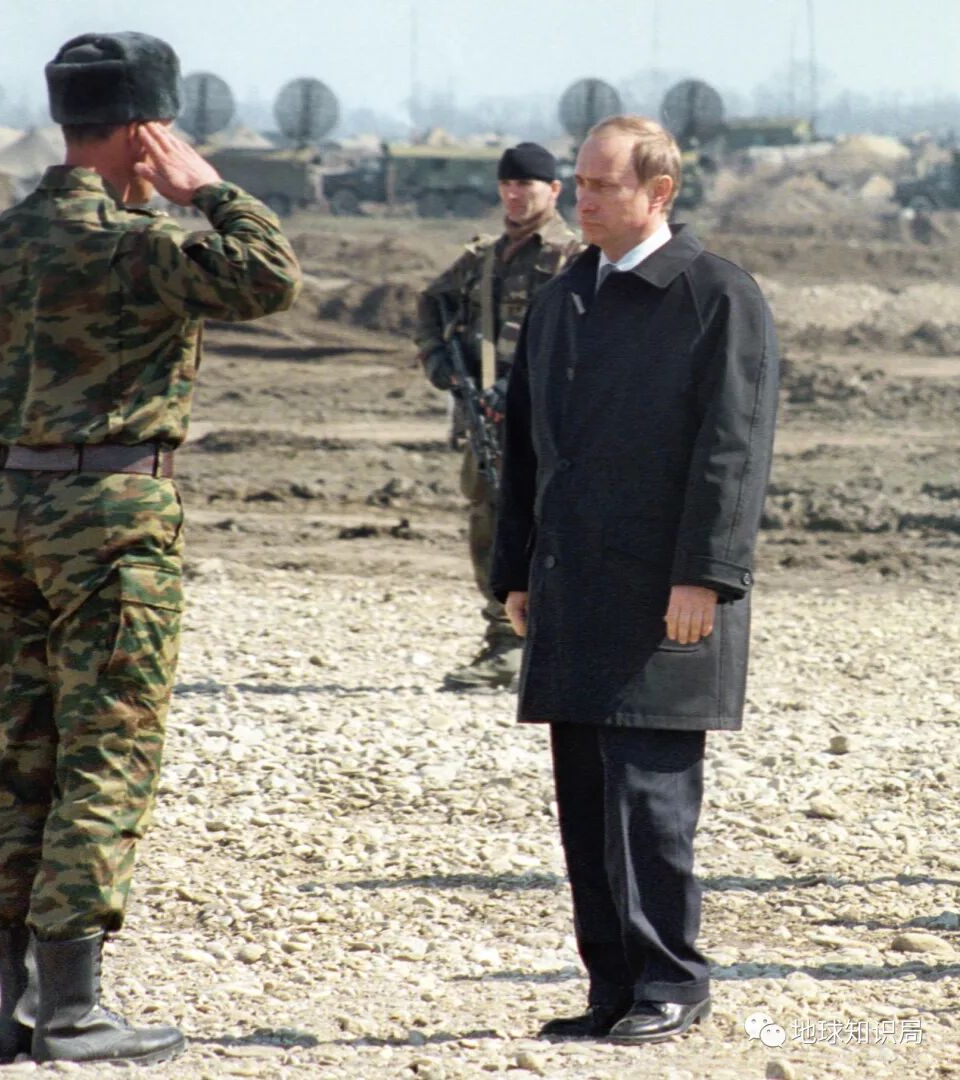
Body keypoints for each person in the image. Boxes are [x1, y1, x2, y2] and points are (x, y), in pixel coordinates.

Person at [0, 32, 300, 1066]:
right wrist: (208, 190)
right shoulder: (139, 247)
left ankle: (17, 1005)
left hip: (11, 514)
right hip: (112, 519)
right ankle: (75, 1010)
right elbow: (270, 277)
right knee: (107, 754)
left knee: (27, 754)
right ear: (148, 132)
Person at [490, 116, 779, 1044]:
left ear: (659, 193)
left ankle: (671, 981)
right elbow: (528, 445)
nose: (583, 199)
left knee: (649, 798)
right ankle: (611, 985)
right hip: (572, 583)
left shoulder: (715, 295)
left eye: (603, 185)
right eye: (579, 183)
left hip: (665, 590)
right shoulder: (564, 296)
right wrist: (516, 570)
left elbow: (733, 449)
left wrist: (707, 575)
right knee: (585, 798)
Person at [415, 143, 581, 690]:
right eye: (507, 185)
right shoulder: (484, 257)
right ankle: (507, 639)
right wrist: (439, 361)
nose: (514, 195)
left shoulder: (572, 256)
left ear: (553, 191)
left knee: (553, 527)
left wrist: (522, 387)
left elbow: (580, 340)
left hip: (550, 423)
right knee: (490, 521)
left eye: (525, 186)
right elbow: (431, 302)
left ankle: (554, 642)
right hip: (488, 419)